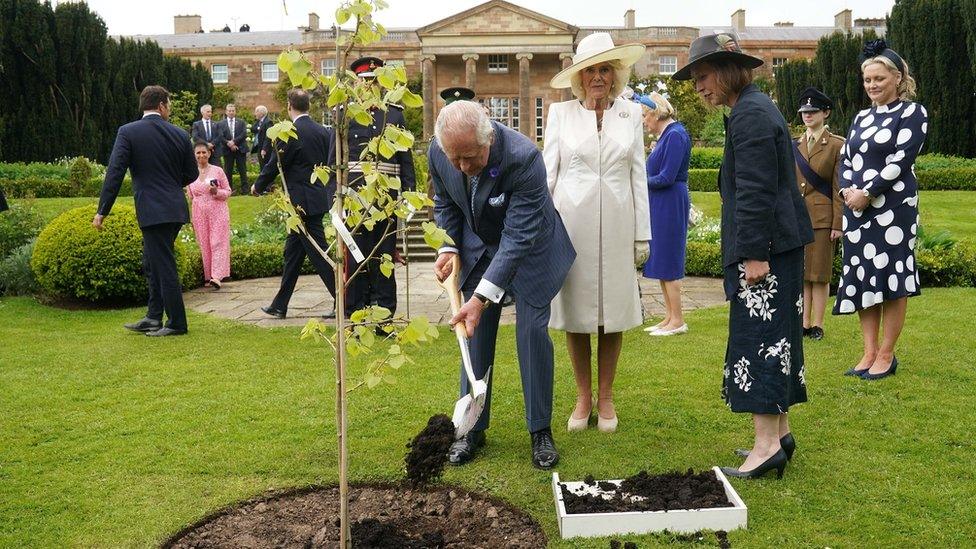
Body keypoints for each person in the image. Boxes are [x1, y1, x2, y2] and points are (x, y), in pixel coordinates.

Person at [674, 32, 812, 478]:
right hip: (781, 248)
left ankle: (767, 444)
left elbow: (754, 193)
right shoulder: (754, 107)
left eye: (703, 76)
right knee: (780, 338)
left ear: (729, 70)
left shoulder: (749, 115)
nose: (698, 87)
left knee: (762, 343)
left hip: (765, 253)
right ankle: (782, 434)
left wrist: (753, 256)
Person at [430, 101, 576, 469]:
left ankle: (540, 430)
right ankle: (472, 430)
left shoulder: (524, 158)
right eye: (454, 158)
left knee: (531, 334)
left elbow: (516, 239)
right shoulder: (439, 151)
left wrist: (480, 298)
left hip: (531, 248)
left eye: (470, 157)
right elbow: (445, 202)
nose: (462, 166)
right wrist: (448, 245)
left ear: (488, 139)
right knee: (474, 336)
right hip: (479, 248)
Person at [544, 32, 650, 433]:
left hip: (619, 224)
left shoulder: (631, 115)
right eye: (591, 70)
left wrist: (643, 234)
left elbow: (637, 176)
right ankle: (582, 396)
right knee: (575, 313)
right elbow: (547, 176)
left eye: (606, 69)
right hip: (572, 226)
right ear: (579, 76)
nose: (598, 77)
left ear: (615, 74)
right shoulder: (560, 115)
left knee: (613, 313)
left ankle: (606, 398)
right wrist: (545, 229)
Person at [833, 40, 926, 380]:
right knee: (863, 279)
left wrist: (868, 192)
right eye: (867, 80)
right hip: (856, 210)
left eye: (879, 79)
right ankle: (869, 351)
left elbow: (902, 159)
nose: (872, 85)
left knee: (892, 278)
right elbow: (846, 158)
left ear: (898, 78)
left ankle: (887, 354)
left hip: (894, 211)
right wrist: (847, 190)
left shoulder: (913, 113)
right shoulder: (860, 117)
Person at [93, 85, 197, 337]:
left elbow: (115, 173)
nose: (169, 109)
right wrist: (171, 187)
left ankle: (176, 323)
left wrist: (102, 210)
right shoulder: (180, 134)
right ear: (161, 105)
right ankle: (153, 317)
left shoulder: (128, 132)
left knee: (163, 264)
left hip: (152, 209)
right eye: (169, 105)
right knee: (152, 262)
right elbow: (192, 173)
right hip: (174, 208)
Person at [341, 56, 416, 319]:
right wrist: (335, 200)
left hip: (386, 202)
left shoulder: (394, 113)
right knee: (356, 258)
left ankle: (384, 317)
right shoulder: (346, 113)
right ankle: (356, 316)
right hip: (355, 200)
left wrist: (408, 195)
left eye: (373, 82)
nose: (369, 87)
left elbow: (405, 159)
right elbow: (335, 159)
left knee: (384, 259)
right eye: (365, 82)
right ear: (358, 84)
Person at [252, 89, 338, 319]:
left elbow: (275, 163)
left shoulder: (290, 132)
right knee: (293, 255)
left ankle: (344, 299)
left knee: (319, 254)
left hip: (301, 203)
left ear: (290, 105)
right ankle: (280, 305)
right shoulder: (323, 131)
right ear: (308, 105)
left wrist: (258, 186)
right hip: (317, 198)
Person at [635, 91, 692, 337]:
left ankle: (678, 320)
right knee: (662, 260)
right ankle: (669, 317)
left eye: (646, 116)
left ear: (656, 113)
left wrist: (639, 181)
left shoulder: (676, 135)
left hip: (670, 202)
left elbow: (667, 177)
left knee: (669, 261)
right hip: (661, 204)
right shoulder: (668, 135)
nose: (645, 122)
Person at [793, 87, 844, 341]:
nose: (807, 115)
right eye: (804, 111)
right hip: (798, 218)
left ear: (825, 113)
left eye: (813, 111)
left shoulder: (836, 145)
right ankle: (803, 321)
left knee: (820, 274)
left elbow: (838, 188)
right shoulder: (795, 144)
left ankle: (818, 324)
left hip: (823, 220)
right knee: (802, 274)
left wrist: (838, 223)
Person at [187, 140, 232, 289]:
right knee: (205, 244)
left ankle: (217, 276)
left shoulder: (217, 170)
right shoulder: (190, 172)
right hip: (199, 211)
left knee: (217, 242)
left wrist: (216, 192)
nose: (201, 155)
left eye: (204, 152)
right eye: (198, 153)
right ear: (194, 155)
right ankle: (208, 277)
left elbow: (228, 191)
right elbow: (190, 196)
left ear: (209, 153)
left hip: (217, 209)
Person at [219, 104, 248, 193]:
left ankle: (245, 190)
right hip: (227, 150)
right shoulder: (221, 123)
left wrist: (234, 142)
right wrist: (229, 143)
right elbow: (220, 136)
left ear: (235, 112)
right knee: (228, 171)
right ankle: (229, 190)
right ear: (226, 112)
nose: (231, 112)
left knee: (242, 170)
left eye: (233, 111)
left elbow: (244, 134)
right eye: (229, 111)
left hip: (240, 149)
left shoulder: (241, 122)